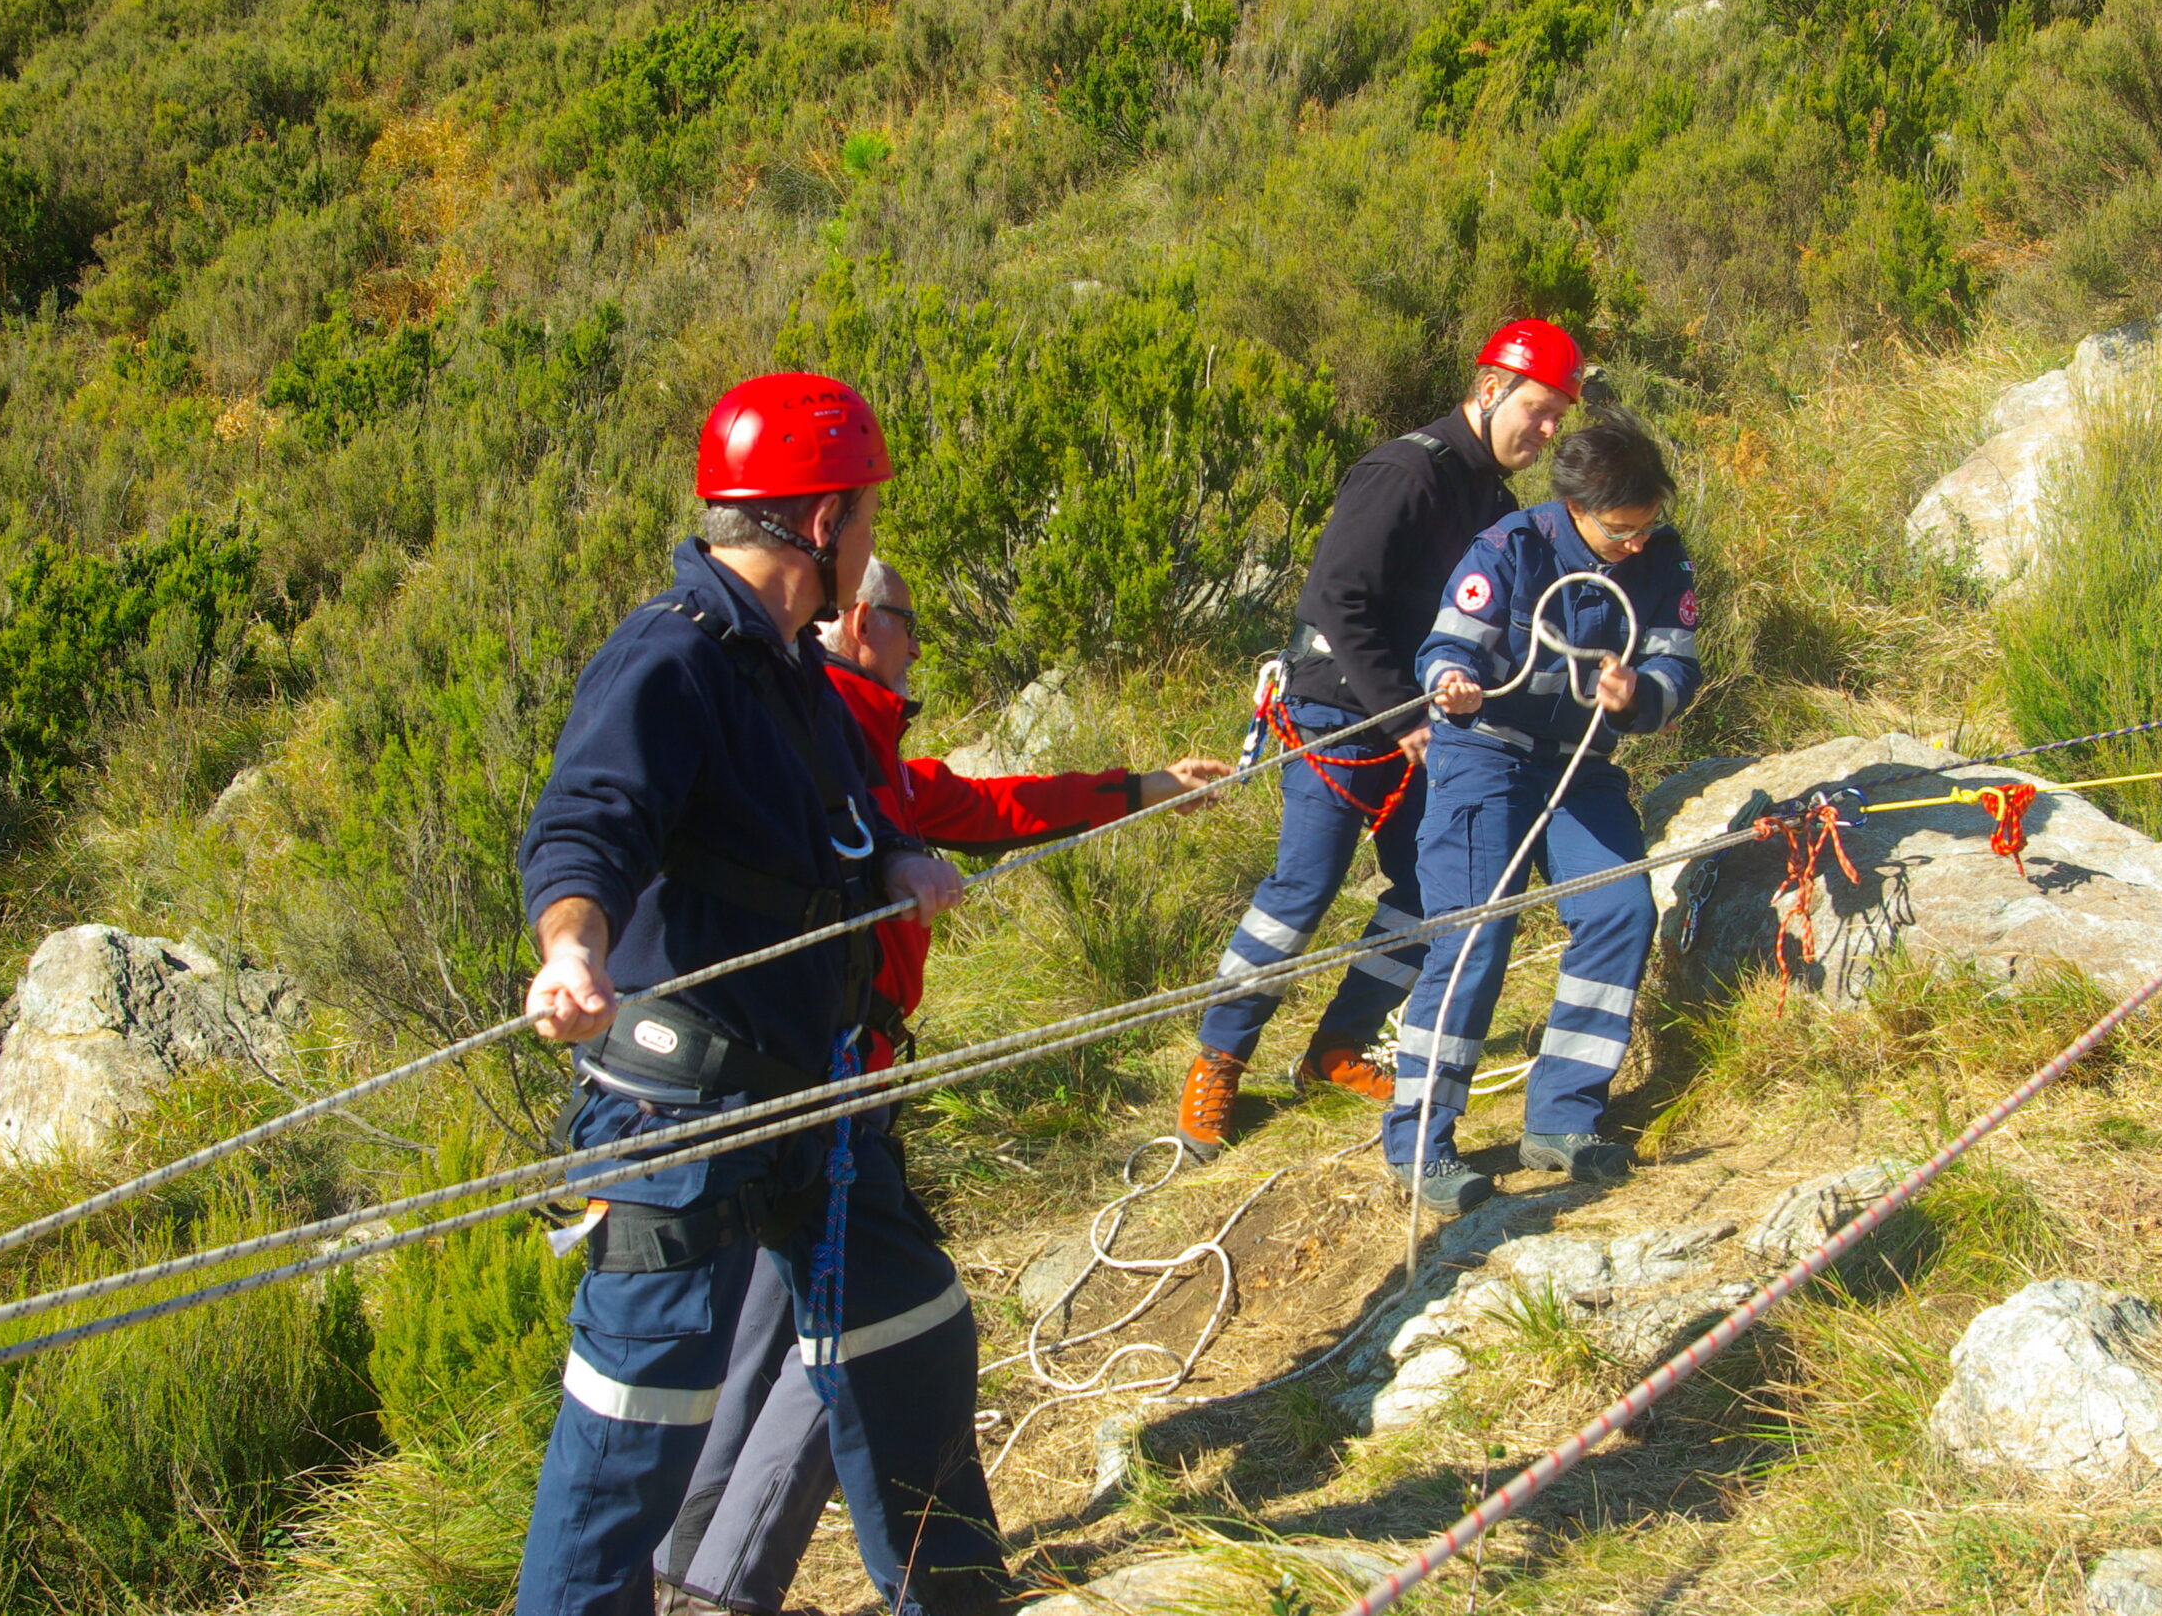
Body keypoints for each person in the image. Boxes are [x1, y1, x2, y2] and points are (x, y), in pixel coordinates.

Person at [652, 560, 1230, 1616]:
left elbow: (984, 802)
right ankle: (725, 1589)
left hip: (797, 1086)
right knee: (865, 1328)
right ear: (858, 618)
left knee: (770, 1331)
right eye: (907, 624)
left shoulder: (852, 736)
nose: (919, 646)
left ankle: (690, 1573)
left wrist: (1144, 786)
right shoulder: (829, 727)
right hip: (830, 1088)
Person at [515, 373, 1005, 1616]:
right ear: (825, 521)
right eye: (869, 515)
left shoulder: (788, 665)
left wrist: (894, 862)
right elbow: (586, 825)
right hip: (681, 1117)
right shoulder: (671, 655)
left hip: (809, 1095)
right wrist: (572, 947)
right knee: (634, 1432)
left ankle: (954, 1599)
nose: (873, 540)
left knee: (914, 1336)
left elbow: (843, 815)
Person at [1177, 320, 1585, 1162]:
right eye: (1538, 410)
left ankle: (1338, 1046)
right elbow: (1337, 600)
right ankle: (1219, 1060)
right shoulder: (1405, 471)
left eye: (1558, 417)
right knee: (1302, 888)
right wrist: (1405, 716)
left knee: (1427, 889)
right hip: (1341, 712)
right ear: (1490, 390)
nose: (1547, 431)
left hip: (1419, 725)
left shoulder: (1494, 503)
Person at [1384, 407, 1699, 1215]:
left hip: (1581, 766)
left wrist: (1638, 696)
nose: (1636, 544)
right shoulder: (1510, 547)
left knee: (1622, 909)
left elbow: (1678, 670)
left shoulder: (1663, 559)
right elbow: (1445, 647)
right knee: (1476, 933)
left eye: (1646, 526)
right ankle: (1420, 1141)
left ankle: (1563, 1117)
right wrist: (1452, 680)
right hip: (1484, 757)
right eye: (1621, 530)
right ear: (1575, 508)